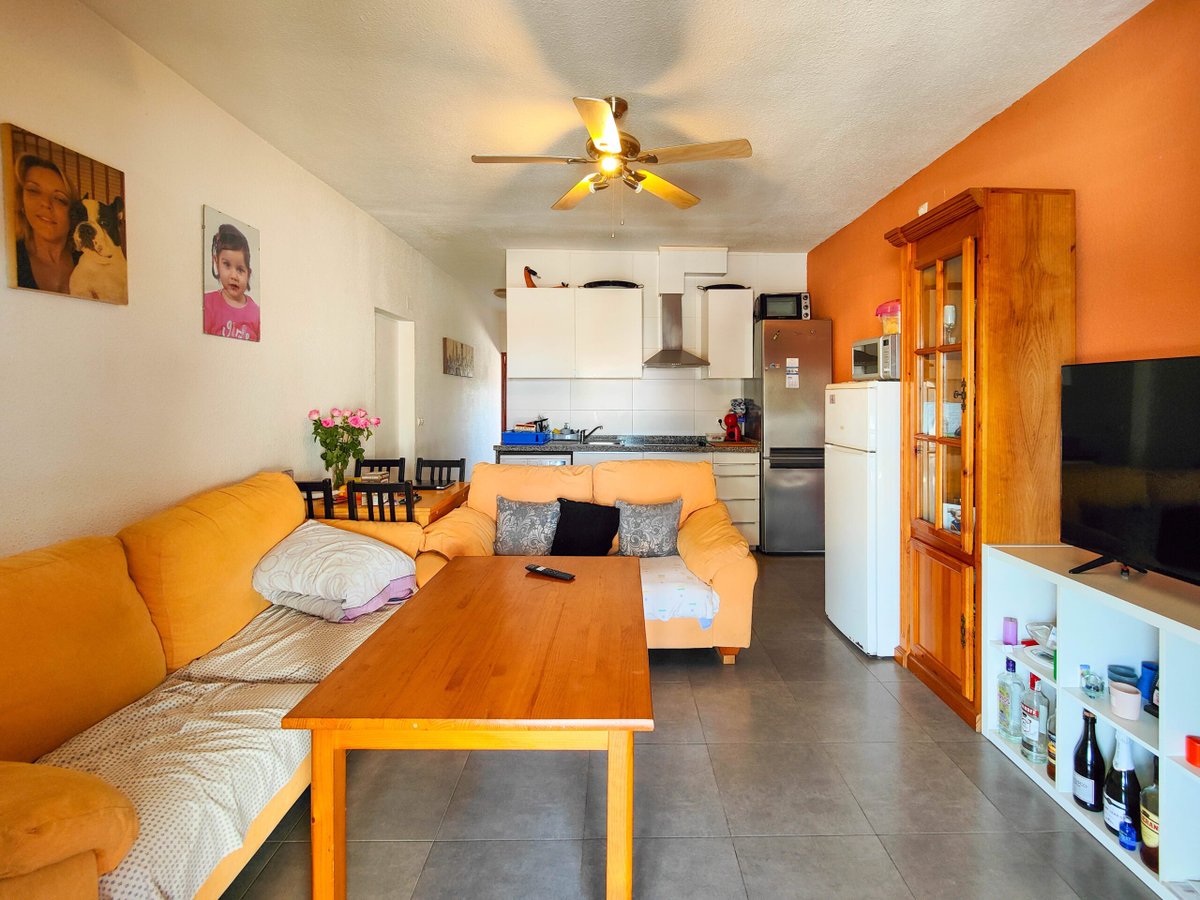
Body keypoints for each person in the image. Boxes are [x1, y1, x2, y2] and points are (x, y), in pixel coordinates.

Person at [13, 154, 78, 294]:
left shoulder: (90, 259)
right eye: (33, 191)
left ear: (73, 212)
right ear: (21, 201)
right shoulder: (10, 259)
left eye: (59, 199)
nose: (46, 203)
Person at [203, 222, 260, 341]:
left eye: (240, 269)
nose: (234, 276)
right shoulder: (208, 304)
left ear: (248, 273)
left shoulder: (256, 313)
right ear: (216, 263)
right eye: (227, 265)